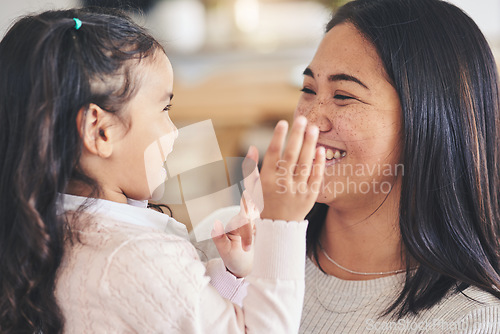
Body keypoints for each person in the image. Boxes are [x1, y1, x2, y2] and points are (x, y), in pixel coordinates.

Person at [0, 8, 326, 333]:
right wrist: (282, 223)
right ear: (100, 131)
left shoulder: (41, 234)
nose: (173, 131)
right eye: (164, 109)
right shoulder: (139, 259)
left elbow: (167, 317)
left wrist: (230, 275)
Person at [296, 0, 500, 332]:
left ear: (429, 119)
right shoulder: (239, 246)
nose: (309, 121)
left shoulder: (473, 322)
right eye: (308, 89)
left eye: (343, 96)